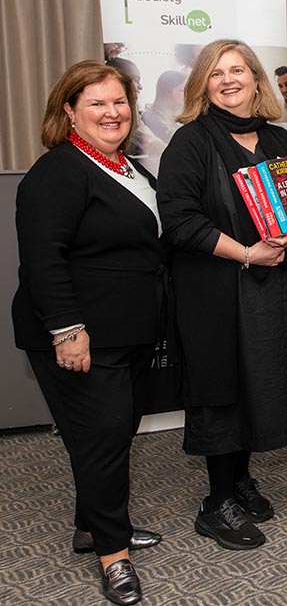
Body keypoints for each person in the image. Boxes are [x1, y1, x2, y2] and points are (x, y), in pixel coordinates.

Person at [157, 39, 287, 550]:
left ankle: (240, 479)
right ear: (203, 85)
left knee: (261, 384)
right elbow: (180, 221)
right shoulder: (190, 143)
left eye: (237, 70)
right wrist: (248, 254)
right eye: (216, 73)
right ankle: (216, 502)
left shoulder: (279, 139)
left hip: (275, 290)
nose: (228, 80)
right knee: (224, 390)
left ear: (256, 78)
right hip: (219, 293)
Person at [12, 60, 164, 605]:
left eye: (119, 101)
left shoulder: (129, 169)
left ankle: (92, 527)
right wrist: (67, 330)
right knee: (102, 438)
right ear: (69, 111)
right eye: (97, 103)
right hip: (80, 335)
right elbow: (43, 259)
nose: (112, 112)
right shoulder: (57, 171)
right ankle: (113, 556)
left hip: (129, 331)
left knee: (114, 434)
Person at [141, 70, 185, 144]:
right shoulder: (150, 116)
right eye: (182, 90)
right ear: (168, 92)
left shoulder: (178, 112)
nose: (186, 94)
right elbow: (174, 138)